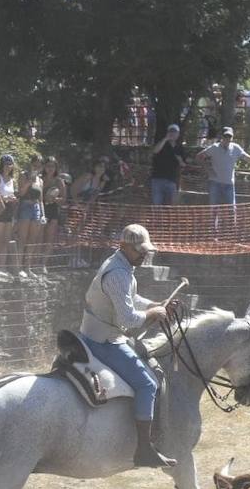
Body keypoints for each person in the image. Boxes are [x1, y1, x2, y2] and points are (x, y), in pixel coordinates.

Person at [79, 223, 175, 469]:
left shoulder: (122, 267)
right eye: (139, 250)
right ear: (123, 246)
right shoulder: (118, 274)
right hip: (103, 339)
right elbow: (127, 320)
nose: (144, 254)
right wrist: (154, 312)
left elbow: (131, 300)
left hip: (105, 334)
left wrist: (153, 304)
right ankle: (144, 449)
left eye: (145, 250)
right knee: (147, 383)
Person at [194, 127, 250, 210]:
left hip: (229, 184)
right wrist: (208, 170)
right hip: (215, 183)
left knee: (232, 210)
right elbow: (198, 157)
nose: (227, 139)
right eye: (226, 136)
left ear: (232, 138)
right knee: (214, 209)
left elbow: (248, 159)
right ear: (221, 137)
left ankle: (232, 223)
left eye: (229, 137)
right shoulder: (214, 148)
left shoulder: (236, 148)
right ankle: (213, 223)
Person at [13, 154, 45, 274]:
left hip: (36, 208)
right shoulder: (23, 175)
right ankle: (19, 267)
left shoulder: (41, 180)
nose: (36, 167)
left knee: (32, 239)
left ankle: (28, 267)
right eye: (35, 164)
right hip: (25, 206)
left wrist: (43, 214)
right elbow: (20, 193)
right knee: (22, 238)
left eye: (39, 165)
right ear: (31, 164)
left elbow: (41, 199)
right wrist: (29, 182)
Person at [149, 124, 185, 206]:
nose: (172, 134)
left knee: (171, 205)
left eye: (175, 132)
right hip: (157, 179)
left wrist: (180, 160)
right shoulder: (162, 144)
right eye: (171, 132)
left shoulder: (180, 147)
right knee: (157, 204)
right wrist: (165, 139)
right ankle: (156, 219)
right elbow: (155, 151)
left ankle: (169, 219)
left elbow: (184, 164)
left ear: (178, 134)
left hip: (172, 180)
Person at [38, 156, 66, 254]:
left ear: (56, 168)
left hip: (53, 211)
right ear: (44, 167)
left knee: (49, 239)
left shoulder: (59, 181)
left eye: (53, 166)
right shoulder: (40, 179)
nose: (50, 168)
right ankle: (35, 263)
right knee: (39, 237)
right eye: (48, 166)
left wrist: (54, 199)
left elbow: (63, 199)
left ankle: (43, 265)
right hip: (41, 209)